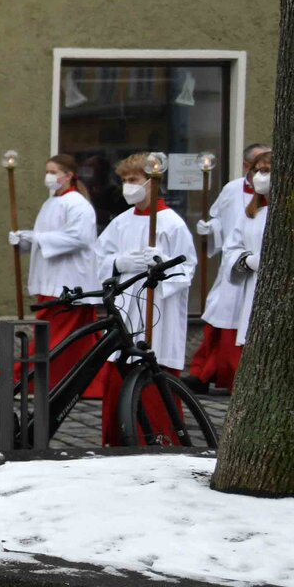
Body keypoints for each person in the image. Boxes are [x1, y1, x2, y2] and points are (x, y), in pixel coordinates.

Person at [90, 154, 197, 444]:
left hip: (157, 311)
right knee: (121, 366)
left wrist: (160, 268)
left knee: (153, 371)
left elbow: (186, 268)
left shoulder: (171, 224)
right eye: (124, 181)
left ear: (151, 184)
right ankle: (118, 438)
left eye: (134, 181)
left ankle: (158, 437)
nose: (128, 187)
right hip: (127, 307)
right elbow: (100, 257)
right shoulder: (121, 222)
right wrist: (120, 262)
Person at [8, 154, 101, 385]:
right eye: (47, 172)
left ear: (68, 176)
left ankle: (39, 377)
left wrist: (36, 238)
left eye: (53, 172)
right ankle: (62, 379)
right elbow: (46, 238)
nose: (48, 177)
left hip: (69, 280)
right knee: (54, 333)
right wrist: (23, 241)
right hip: (52, 278)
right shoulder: (50, 203)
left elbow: (77, 238)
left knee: (59, 336)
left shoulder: (78, 204)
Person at [188, 143, 269, 392]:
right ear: (247, 168)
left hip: (263, 285)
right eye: (258, 169)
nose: (260, 177)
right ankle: (210, 373)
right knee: (224, 318)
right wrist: (212, 230)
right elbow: (229, 231)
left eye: (267, 170)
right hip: (241, 275)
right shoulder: (239, 197)